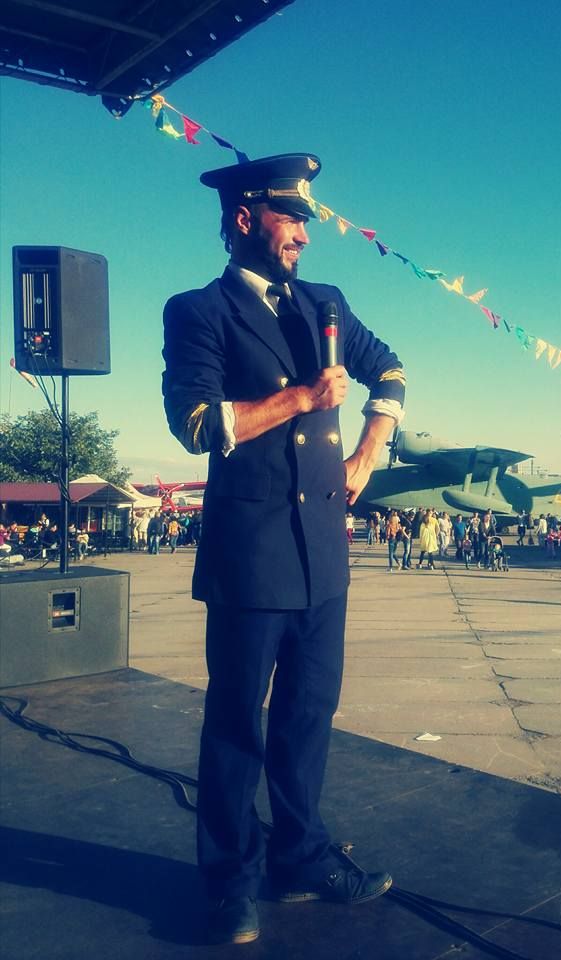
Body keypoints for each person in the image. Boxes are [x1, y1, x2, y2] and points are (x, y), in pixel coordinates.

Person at [162, 153, 404, 945]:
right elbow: (196, 423)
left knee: (307, 717)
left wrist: (369, 448)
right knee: (237, 726)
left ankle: (299, 858)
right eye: (290, 217)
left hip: (323, 556)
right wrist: (301, 397)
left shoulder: (326, 303)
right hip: (251, 556)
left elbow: (390, 369)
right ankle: (230, 882)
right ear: (244, 219)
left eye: (306, 219)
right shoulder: (199, 311)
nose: (303, 232)